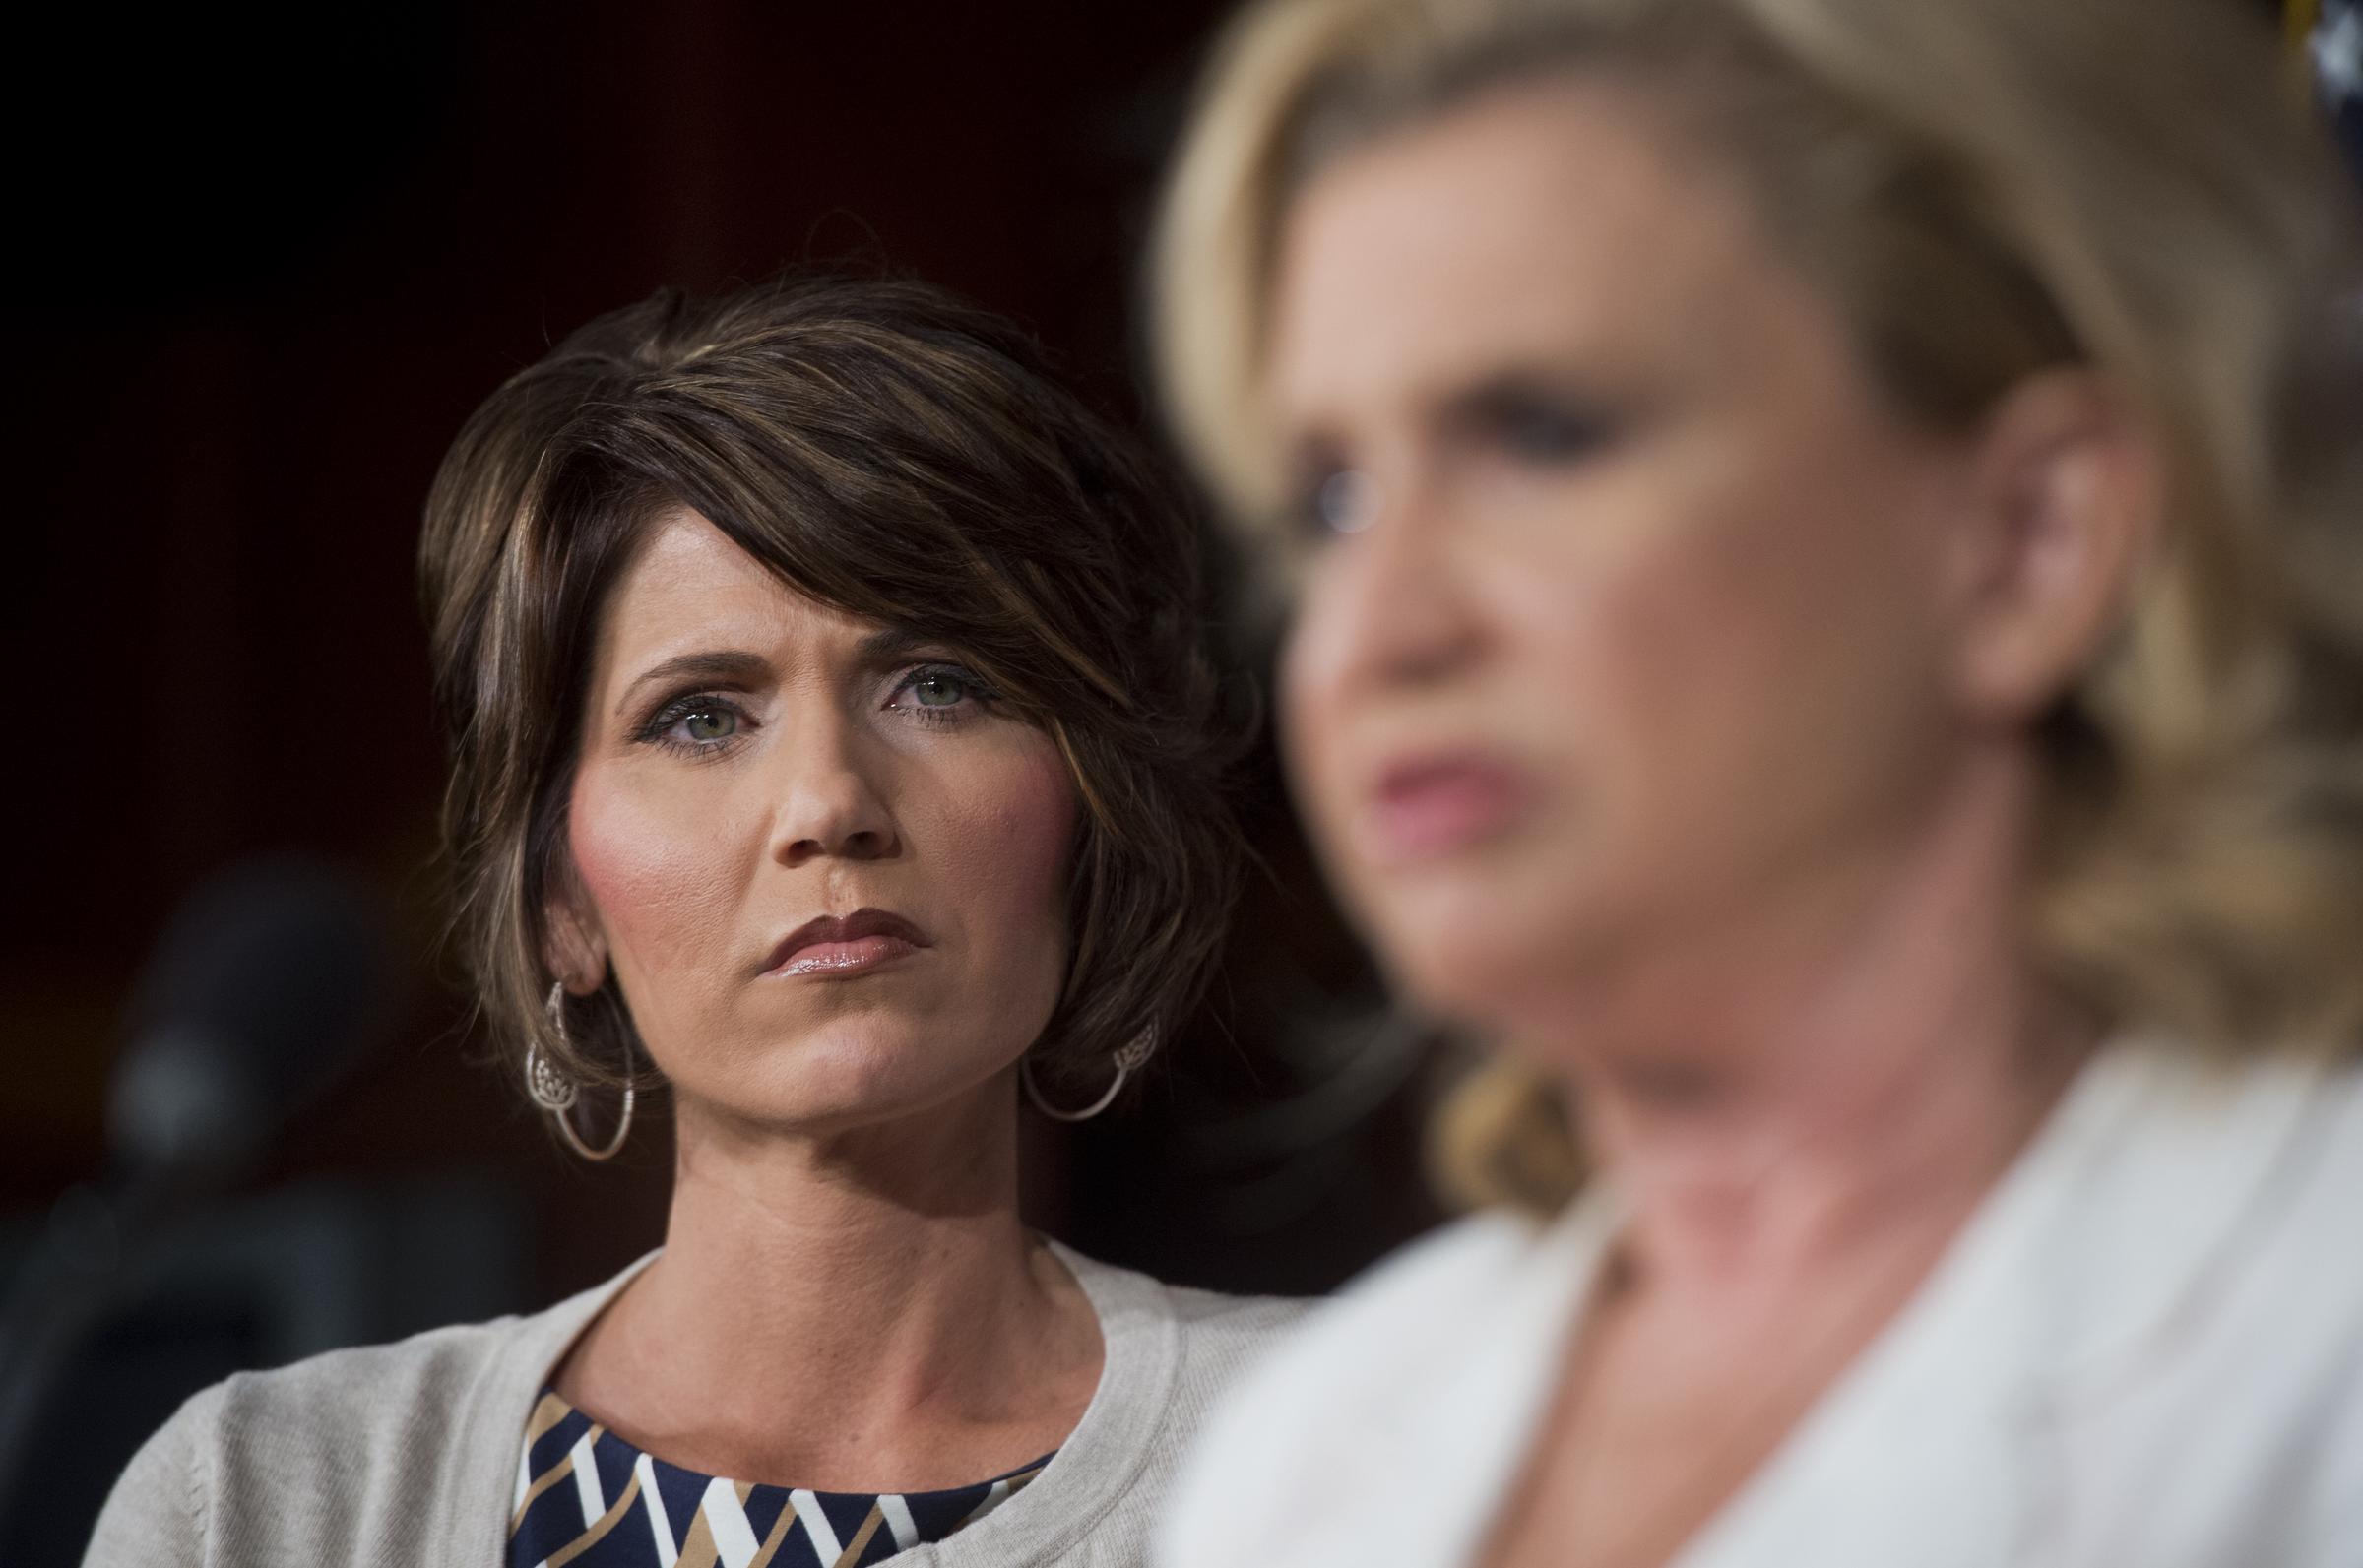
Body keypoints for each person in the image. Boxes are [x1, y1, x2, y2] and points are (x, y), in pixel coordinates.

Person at [1146, 0, 2363, 1562]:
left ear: (2029, 539)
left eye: (1540, 435)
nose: (1375, 632)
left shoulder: (2321, 1331)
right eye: (1332, 499)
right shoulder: (1311, 1449)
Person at [84, 277, 1297, 1567]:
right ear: (561, 902)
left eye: (938, 684)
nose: (831, 803)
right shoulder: (270, 1506)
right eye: (701, 715)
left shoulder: (1364, 1454)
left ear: (1087, 814)